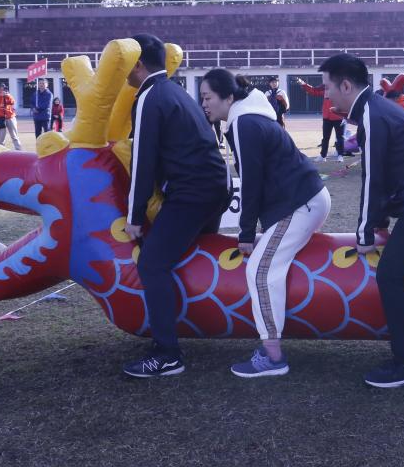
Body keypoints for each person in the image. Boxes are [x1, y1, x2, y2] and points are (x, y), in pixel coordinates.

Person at [318, 53, 404, 388]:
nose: (326, 95)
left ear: (345, 86)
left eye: (327, 88)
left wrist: (365, 233)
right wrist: (379, 220)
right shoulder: (376, 107)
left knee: (391, 276)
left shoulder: (372, 113)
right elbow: (387, 172)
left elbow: (373, 178)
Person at [200, 68, 331, 379]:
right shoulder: (248, 117)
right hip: (304, 200)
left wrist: (246, 233)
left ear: (228, 97)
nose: (203, 104)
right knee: (267, 263)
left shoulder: (244, 123)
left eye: (207, 97)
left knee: (259, 269)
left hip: (301, 204)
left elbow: (251, 182)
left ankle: (273, 357)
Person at [122, 34, 231, 378]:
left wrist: (134, 215)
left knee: (152, 263)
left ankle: (167, 354)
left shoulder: (149, 96)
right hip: (215, 187)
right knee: (195, 257)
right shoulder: (176, 90)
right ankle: (196, 327)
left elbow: (142, 161)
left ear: (138, 64)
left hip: (192, 194)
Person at [296, 77, 346, 162]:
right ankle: (323, 156)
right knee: (325, 138)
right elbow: (314, 91)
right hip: (327, 117)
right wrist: (303, 84)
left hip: (339, 117)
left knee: (340, 138)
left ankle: (340, 155)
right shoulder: (325, 88)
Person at [0, 83, 23, 150]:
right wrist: (0, 96)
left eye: (3, 89)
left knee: (14, 135)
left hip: (10, 117)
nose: (2, 90)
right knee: (1, 137)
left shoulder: (8, 95)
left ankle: (18, 150)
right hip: (0, 118)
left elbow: (12, 102)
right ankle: (2, 151)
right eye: (0, 89)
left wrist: (8, 96)